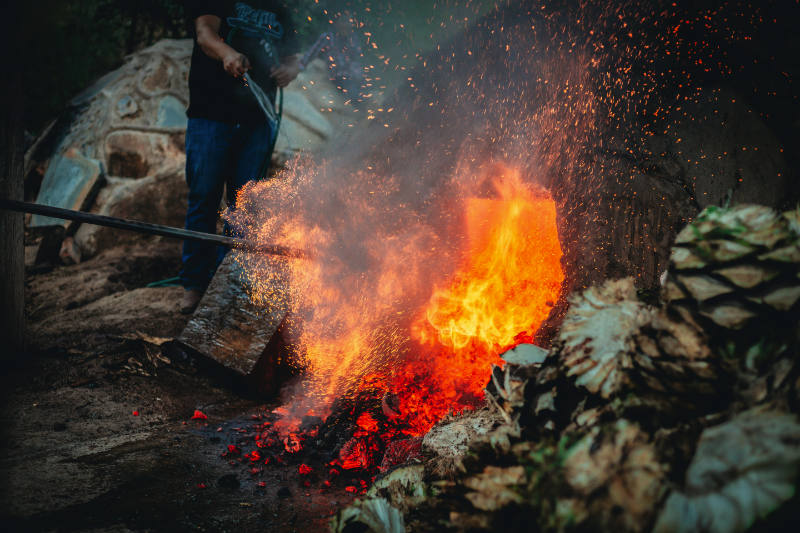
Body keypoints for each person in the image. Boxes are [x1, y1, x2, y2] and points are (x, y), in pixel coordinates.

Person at [180, 1, 300, 314]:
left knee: (244, 206)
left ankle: (226, 287)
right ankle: (194, 286)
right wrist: (227, 54)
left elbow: (293, 58)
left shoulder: (280, 9)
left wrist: (290, 70)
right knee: (203, 198)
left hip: (257, 121)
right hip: (210, 115)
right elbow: (205, 33)